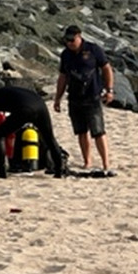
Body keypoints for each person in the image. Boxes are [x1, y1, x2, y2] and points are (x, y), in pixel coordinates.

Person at [0, 86, 66, 179]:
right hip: (41, 105)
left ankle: (2, 171)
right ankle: (59, 172)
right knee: (49, 138)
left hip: (25, 108)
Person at [53, 24, 116, 176]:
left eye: (72, 40)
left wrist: (110, 90)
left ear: (79, 37)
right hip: (74, 98)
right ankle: (87, 161)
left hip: (92, 96)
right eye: (67, 40)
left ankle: (105, 162)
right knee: (81, 131)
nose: (69, 43)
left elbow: (106, 68)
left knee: (98, 131)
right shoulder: (65, 55)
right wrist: (57, 98)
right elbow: (63, 77)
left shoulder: (93, 50)